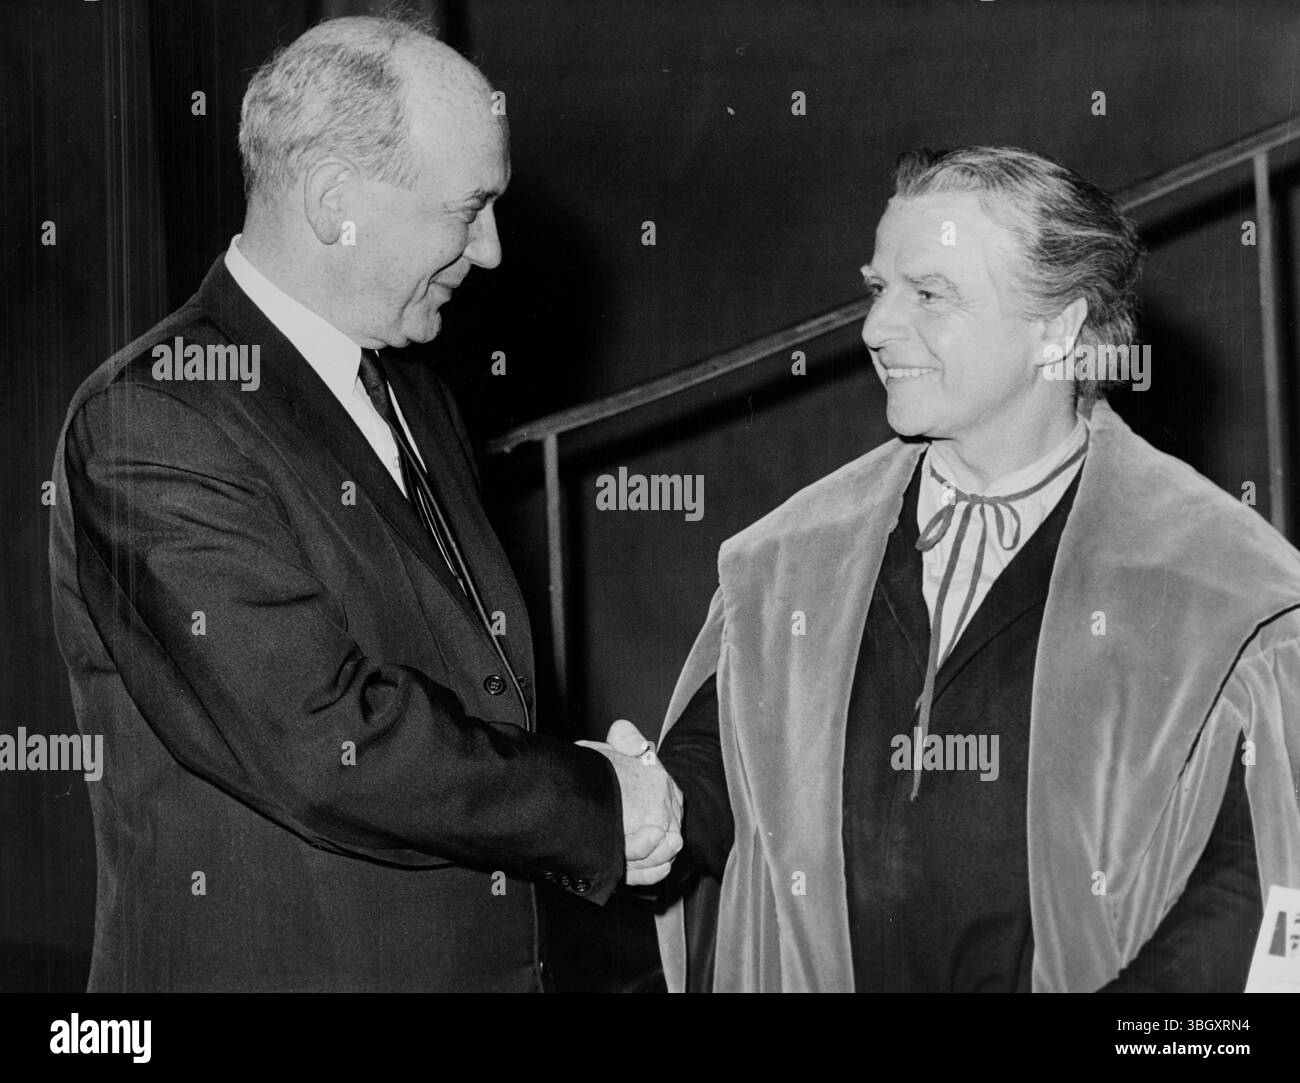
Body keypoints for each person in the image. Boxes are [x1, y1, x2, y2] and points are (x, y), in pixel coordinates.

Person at [49, 14, 679, 993]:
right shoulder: (155, 419)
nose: (493, 249)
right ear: (335, 199)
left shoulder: (413, 389)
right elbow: (323, 744)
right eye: (466, 208)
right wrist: (592, 803)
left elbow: (455, 694)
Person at [644, 145, 1300, 992]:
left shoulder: (1228, 588)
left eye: (930, 294)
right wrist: (625, 803)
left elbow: (1247, 901)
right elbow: (711, 781)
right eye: (880, 289)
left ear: (1058, 327)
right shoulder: (787, 561)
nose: (877, 328)